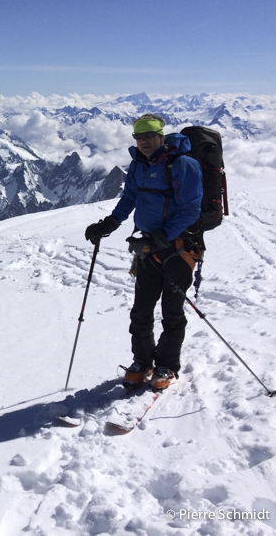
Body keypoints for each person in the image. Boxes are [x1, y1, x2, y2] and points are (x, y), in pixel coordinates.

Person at [85, 113, 203, 391]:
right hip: (148, 249)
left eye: (149, 136)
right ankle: (142, 361)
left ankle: (167, 365)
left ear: (161, 136)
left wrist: (163, 237)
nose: (144, 142)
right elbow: (130, 198)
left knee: (172, 312)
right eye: (139, 137)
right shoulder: (139, 164)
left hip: (178, 249)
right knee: (141, 311)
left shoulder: (183, 164)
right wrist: (111, 223)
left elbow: (191, 209)